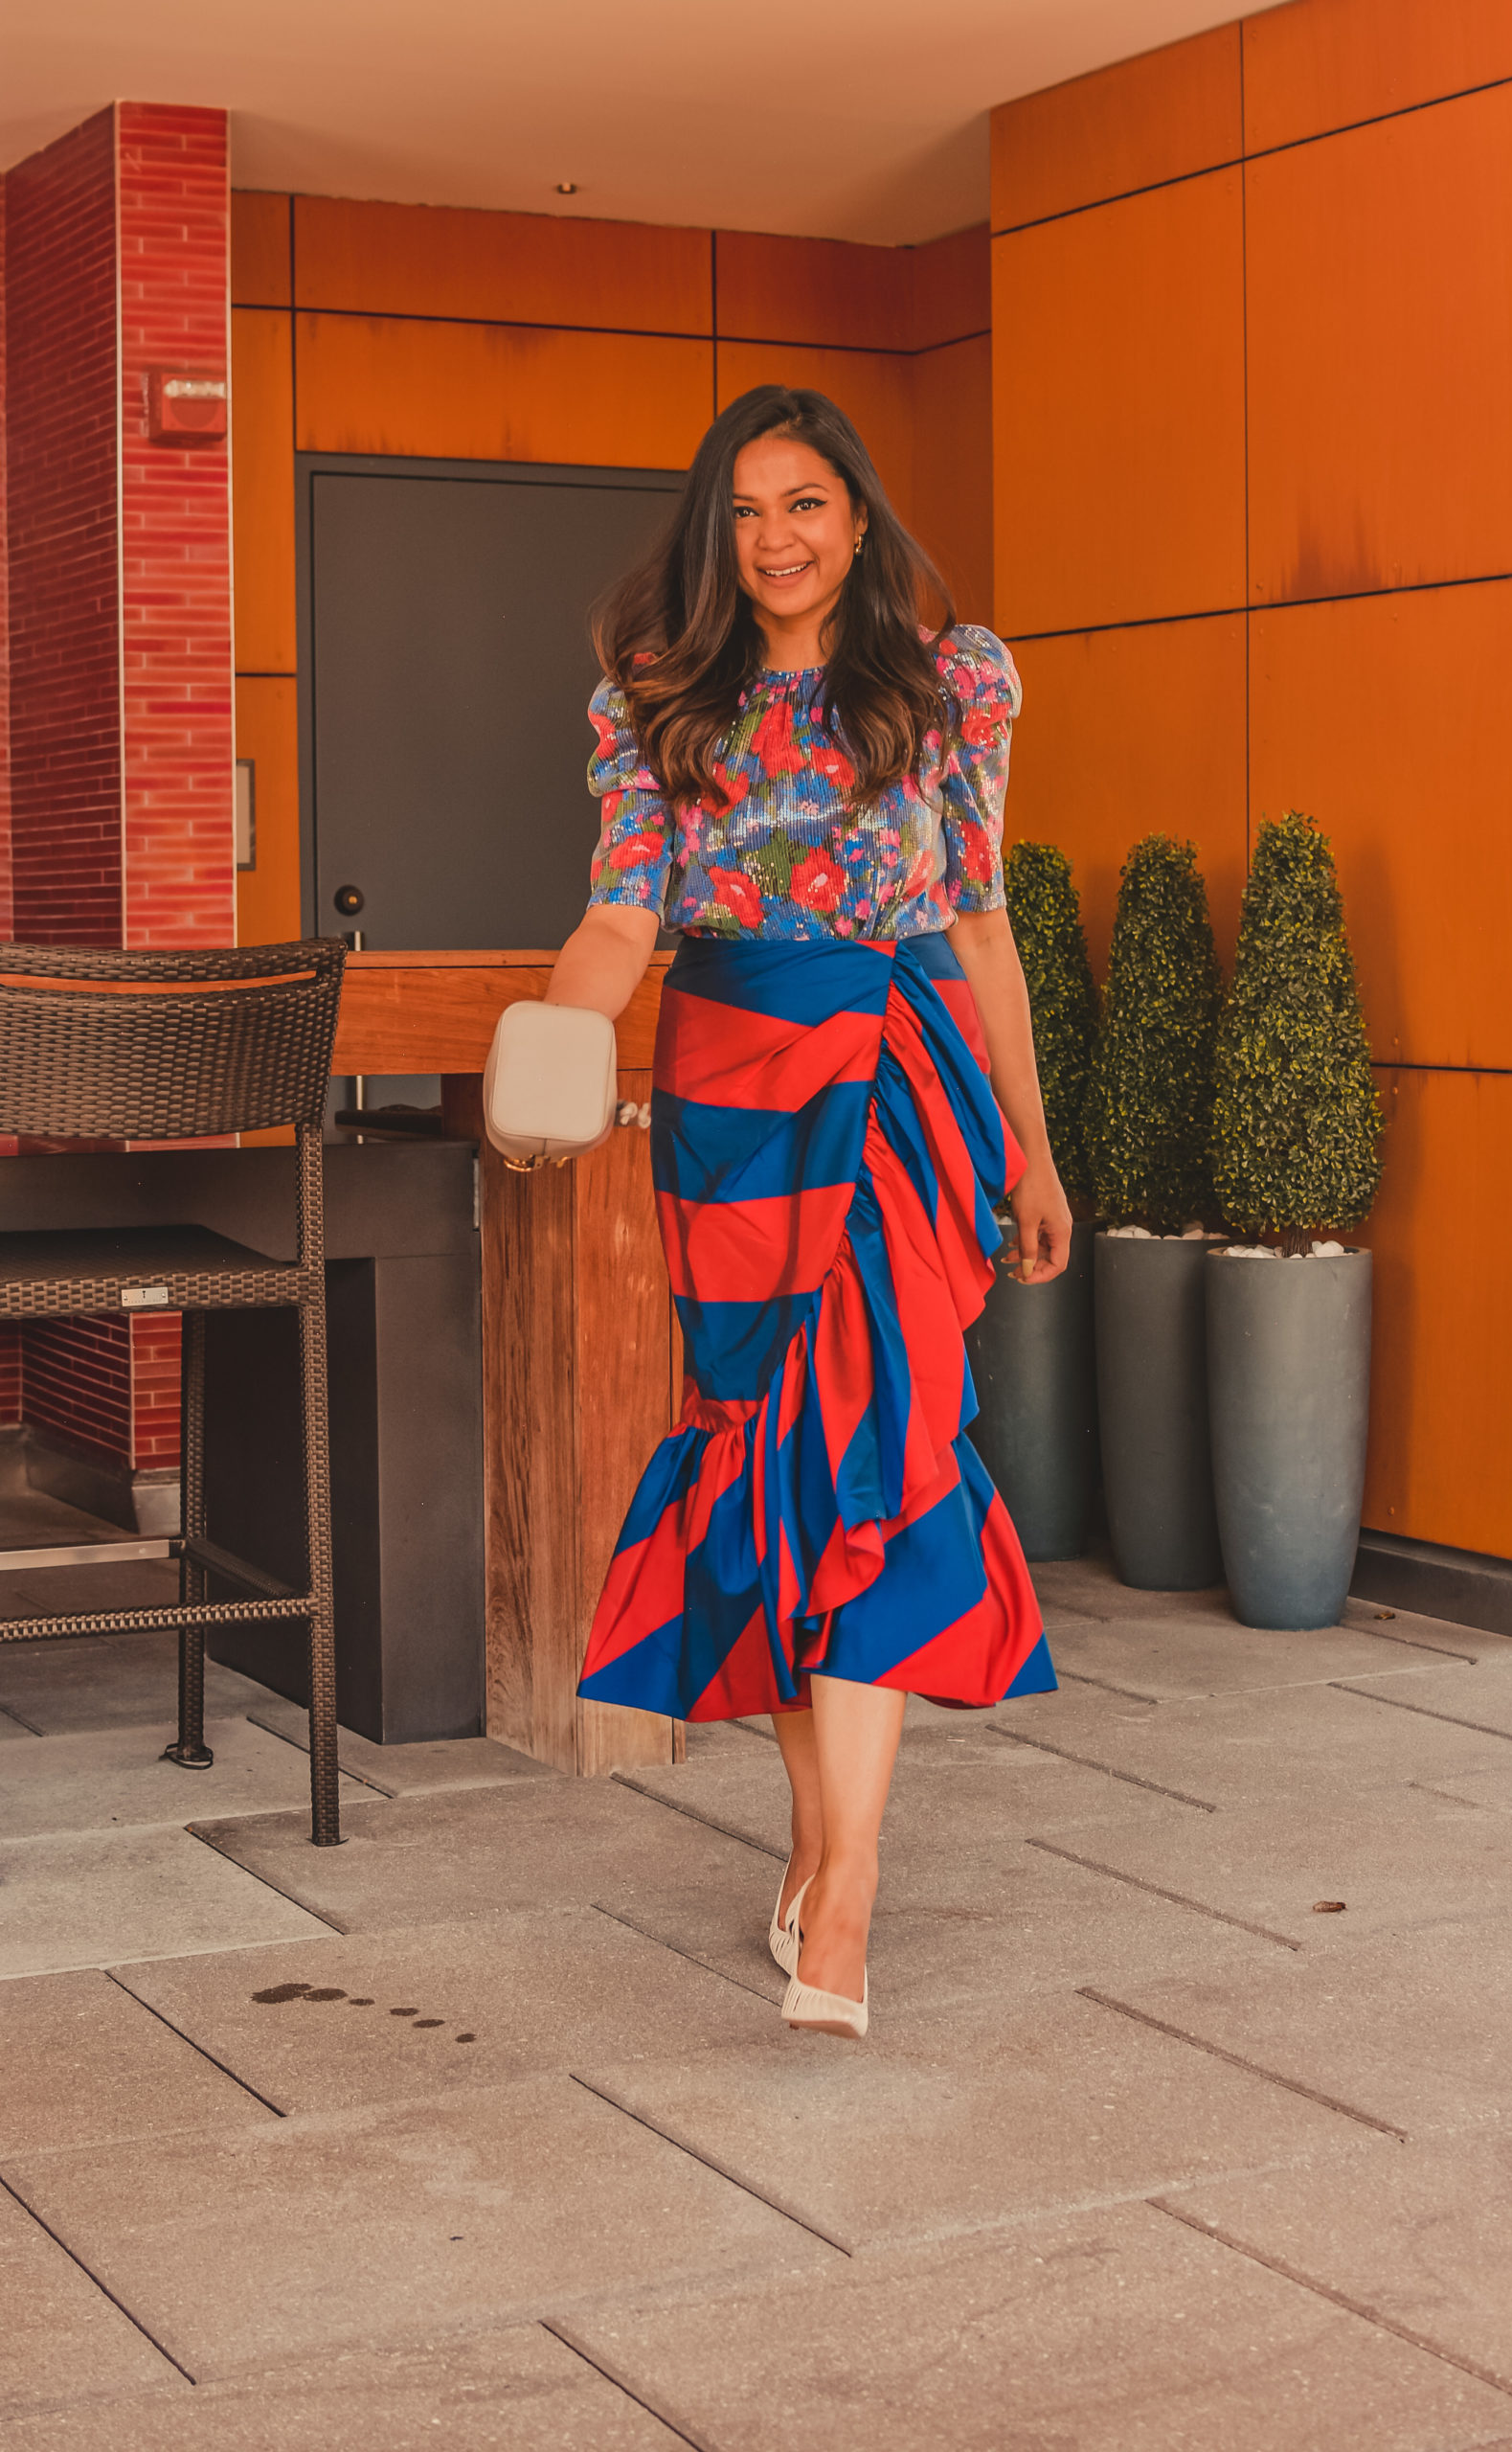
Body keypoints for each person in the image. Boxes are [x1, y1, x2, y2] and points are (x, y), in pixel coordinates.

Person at [549, 385, 1069, 2039]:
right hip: (731, 1101)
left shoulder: (954, 679)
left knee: (885, 1450)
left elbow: (983, 928)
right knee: (770, 1462)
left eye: (809, 504)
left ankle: (845, 1899)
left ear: (858, 516)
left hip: (909, 1085)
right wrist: (560, 1040)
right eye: (750, 510)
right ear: (719, 530)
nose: (777, 539)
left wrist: (1036, 1156)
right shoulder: (658, 696)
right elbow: (622, 918)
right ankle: (818, 1841)